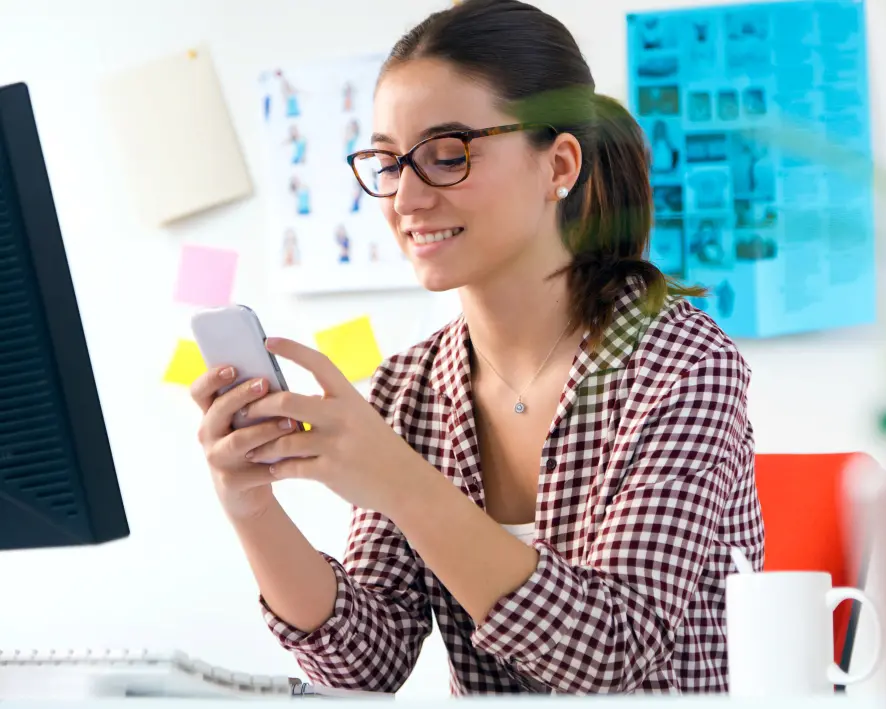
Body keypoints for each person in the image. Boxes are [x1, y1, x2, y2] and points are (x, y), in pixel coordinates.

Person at [189, 0, 763, 696]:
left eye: (447, 154)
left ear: (558, 165)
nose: (405, 199)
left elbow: (616, 654)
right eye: (388, 162)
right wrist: (253, 509)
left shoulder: (680, 360)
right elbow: (365, 665)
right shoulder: (411, 386)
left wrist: (399, 479)